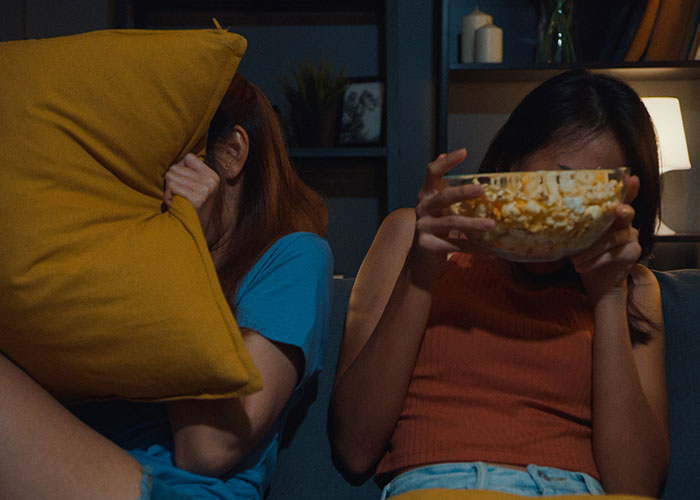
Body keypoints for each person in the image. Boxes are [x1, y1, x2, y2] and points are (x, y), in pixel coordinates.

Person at [329, 69, 668, 498]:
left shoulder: (631, 287)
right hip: (442, 487)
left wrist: (608, 294)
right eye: (555, 183)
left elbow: (636, 487)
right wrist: (421, 275)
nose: (568, 209)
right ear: (510, 165)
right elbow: (354, 449)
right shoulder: (414, 239)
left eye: (592, 194)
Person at [0, 74, 334, 500]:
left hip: (177, 488)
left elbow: (207, 449)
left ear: (232, 153)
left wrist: (183, 245)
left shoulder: (295, 256)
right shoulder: (124, 257)